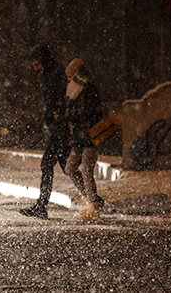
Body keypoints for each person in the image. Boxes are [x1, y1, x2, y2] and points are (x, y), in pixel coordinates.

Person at [19, 45, 71, 219]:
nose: (35, 68)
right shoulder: (48, 74)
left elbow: (63, 96)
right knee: (67, 165)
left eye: (36, 63)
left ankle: (41, 206)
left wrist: (58, 114)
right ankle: (94, 199)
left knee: (47, 164)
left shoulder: (57, 73)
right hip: (57, 124)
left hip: (60, 126)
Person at [63, 58, 104, 220]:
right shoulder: (74, 90)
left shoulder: (87, 88)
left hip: (89, 137)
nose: (68, 79)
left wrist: (69, 114)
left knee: (86, 170)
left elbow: (91, 112)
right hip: (78, 138)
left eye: (70, 76)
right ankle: (89, 198)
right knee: (70, 169)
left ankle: (93, 205)